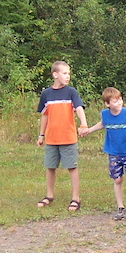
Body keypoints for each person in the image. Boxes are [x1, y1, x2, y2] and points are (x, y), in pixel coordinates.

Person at [81, 87, 126, 222]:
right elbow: (102, 124)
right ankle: (120, 207)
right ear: (107, 104)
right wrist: (89, 130)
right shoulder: (105, 114)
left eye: (120, 99)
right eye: (115, 101)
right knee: (117, 180)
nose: (119, 103)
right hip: (113, 153)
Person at [36, 61, 88, 212]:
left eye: (69, 74)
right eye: (65, 73)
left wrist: (83, 124)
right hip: (51, 138)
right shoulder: (46, 94)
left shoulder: (71, 92)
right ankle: (49, 196)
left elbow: (79, 108)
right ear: (55, 74)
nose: (67, 76)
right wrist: (41, 135)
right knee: (50, 166)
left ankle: (75, 198)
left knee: (71, 167)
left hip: (68, 137)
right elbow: (44, 115)